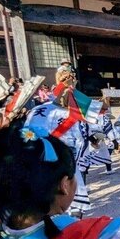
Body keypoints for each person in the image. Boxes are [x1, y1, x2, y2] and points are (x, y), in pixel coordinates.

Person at [25, 82, 91, 217]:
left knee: (37, 195)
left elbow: (25, 132)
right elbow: (80, 141)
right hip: (61, 158)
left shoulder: (37, 109)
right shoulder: (72, 114)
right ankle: (71, 226)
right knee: (72, 197)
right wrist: (75, 162)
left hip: (35, 157)